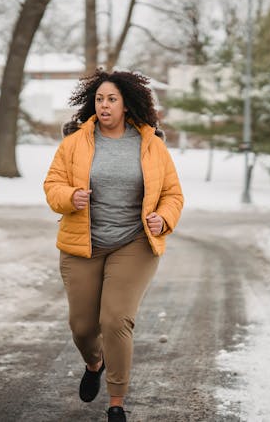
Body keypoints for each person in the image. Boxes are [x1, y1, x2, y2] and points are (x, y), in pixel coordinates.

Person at [43, 69, 184, 422]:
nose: (104, 106)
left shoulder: (151, 144)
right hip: (83, 243)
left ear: (126, 105)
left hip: (133, 243)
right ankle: (95, 362)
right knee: (82, 327)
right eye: (100, 99)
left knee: (116, 319)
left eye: (112, 100)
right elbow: (52, 184)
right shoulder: (75, 142)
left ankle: (116, 402)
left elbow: (172, 194)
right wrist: (69, 197)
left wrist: (163, 219)